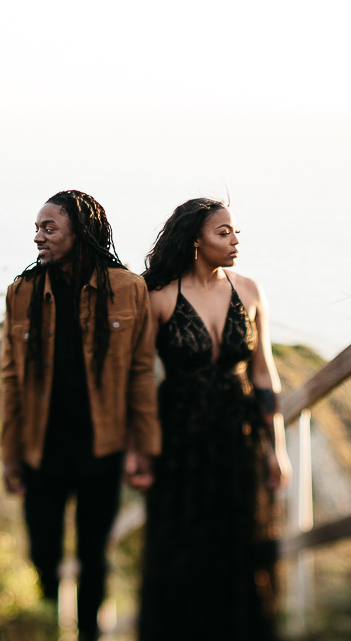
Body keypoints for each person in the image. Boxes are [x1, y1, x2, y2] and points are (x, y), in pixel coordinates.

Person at [0, 190, 160, 641]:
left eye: (49, 228)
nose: (38, 237)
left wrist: (143, 447)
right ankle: (48, 628)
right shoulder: (22, 292)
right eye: (36, 228)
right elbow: (10, 377)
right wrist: (10, 453)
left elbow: (141, 372)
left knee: (94, 554)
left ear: (81, 231)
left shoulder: (128, 289)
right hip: (41, 447)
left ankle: (90, 633)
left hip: (102, 447)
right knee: (43, 553)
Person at [137, 198, 290, 641]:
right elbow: (139, 378)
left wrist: (276, 448)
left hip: (239, 440)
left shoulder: (251, 291)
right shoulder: (159, 296)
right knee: (183, 548)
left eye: (236, 231)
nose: (235, 240)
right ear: (195, 241)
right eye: (224, 233)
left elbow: (264, 374)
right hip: (179, 442)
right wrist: (139, 450)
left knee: (240, 545)